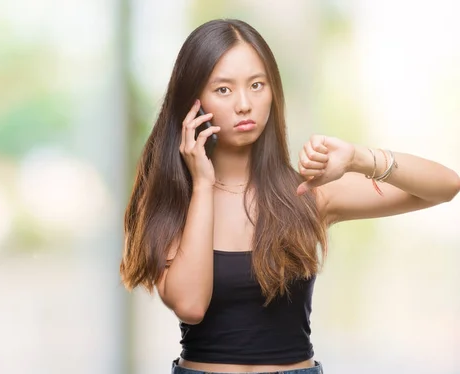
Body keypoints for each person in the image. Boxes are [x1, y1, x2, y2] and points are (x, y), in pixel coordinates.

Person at [119, 18, 460, 374]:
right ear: (193, 103)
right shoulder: (171, 198)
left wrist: (359, 158)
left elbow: (445, 185)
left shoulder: (304, 193)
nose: (244, 104)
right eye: (223, 90)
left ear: (272, 91)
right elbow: (190, 305)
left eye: (256, 85)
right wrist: (203, 185)